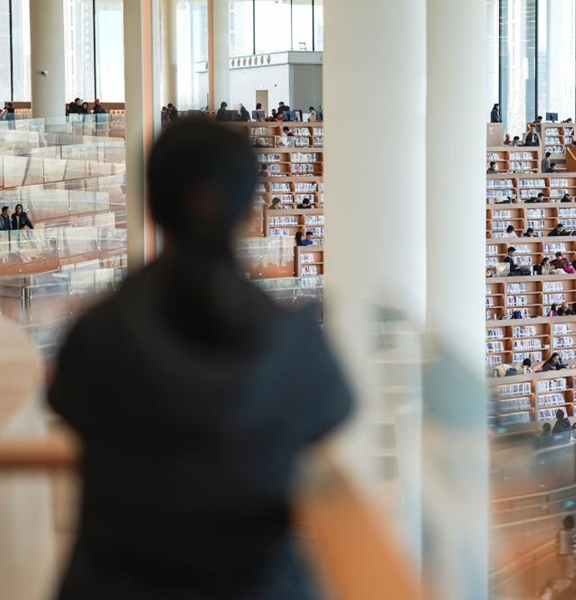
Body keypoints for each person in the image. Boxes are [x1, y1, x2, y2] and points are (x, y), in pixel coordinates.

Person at [47, 120, 353, 600]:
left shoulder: (96, 337)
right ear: (250, 207)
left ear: (150, 203)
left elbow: (68, 403)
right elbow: (333, 412)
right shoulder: (292, 346)